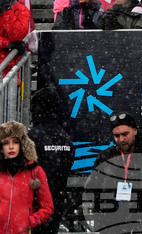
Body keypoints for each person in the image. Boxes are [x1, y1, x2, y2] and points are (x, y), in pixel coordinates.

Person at [27, 88, 72, 234]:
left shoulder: (33, 137)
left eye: (33, 106)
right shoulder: (65, 137)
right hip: (57, 200)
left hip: (35, 202)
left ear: (38, 107)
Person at [0, 120, 54, 234]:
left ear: (22, 144)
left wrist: (30, 221)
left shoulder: (35, 171)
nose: (11, 147)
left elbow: (48, 207)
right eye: (6, 143)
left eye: (15, 142)